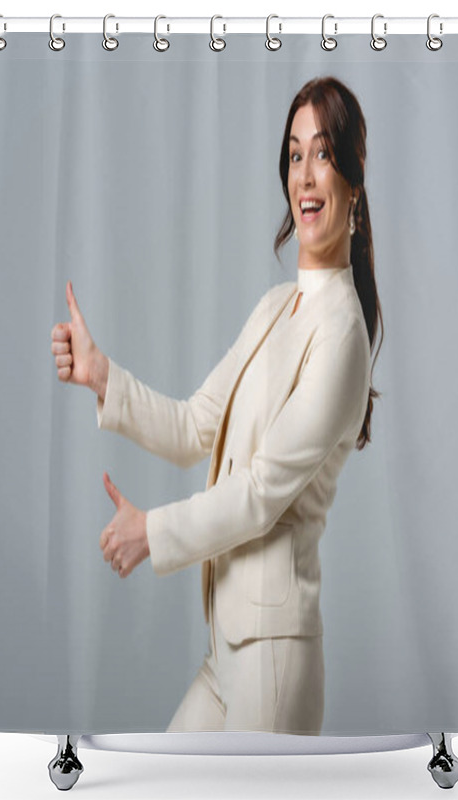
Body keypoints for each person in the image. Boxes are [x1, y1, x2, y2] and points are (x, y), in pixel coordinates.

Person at [50, 76, 383, 735]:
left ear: (353, 177)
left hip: (273, 659)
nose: (306, 175)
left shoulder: (343, 332)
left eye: (323, 152)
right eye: (294, 154)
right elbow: (194, 424)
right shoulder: (273, 309)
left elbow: (260, 493)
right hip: (226, 648)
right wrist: (101, 377)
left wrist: (152, 531)